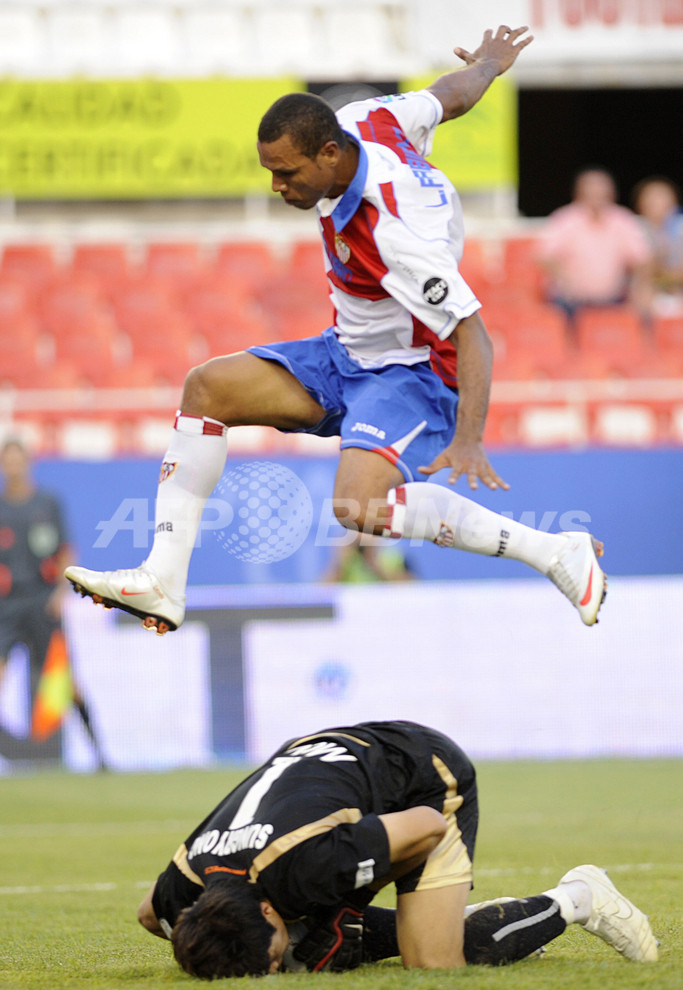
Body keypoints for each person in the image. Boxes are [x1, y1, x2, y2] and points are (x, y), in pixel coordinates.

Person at [65, 24, 607, 630]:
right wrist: (488, 65)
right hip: (346, 352)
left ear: (328, 155)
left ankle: (555, 551)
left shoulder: (395, 233)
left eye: (286, 173)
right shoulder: (367, 119)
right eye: (271, 172)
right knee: (207, 388)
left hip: (410, 371)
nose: (277, 187)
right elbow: (445, 97)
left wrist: (469, 440)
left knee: (359, 508)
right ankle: (161, 581)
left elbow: (472, 333)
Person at [136, 720, 658, 977]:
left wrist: (346, 907)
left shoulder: (312, 865)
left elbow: (427, 827)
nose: (273, 971)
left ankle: (579, 896)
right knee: (312, 944)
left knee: (433, 960)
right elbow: (147, 915)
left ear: (269, 909)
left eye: (267, 960)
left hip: (420, 778)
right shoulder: (182, 890)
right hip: (327, 760)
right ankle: (447, 914)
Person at [0, 437, 105, 767]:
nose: (13, 465)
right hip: (7, 605)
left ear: (28, 462)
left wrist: (61, 593)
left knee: (66, 681)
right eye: (8, 460)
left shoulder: (47, 503)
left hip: (43, 602)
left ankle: (100, 755)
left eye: (18, 459)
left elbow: (66, 552)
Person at [537, 167, 652, 324]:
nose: (596, 195)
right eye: (590, 191)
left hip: (615, 300)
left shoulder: (622, 219)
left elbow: (642, 259)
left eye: (600, 191)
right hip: (571, 302)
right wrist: (563, 276)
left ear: (611, 194)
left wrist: (641, 285)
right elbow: (544, 256)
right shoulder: (565, 219)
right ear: (579, 193)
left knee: (644, 309)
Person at [632, 175, 683, 315]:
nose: (658, 203)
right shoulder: (633, 226)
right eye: (651, 198)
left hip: (677, 291)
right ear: (640, 203)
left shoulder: (680, 226)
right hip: (644, 294)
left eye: (662, 197)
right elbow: (642, 271)